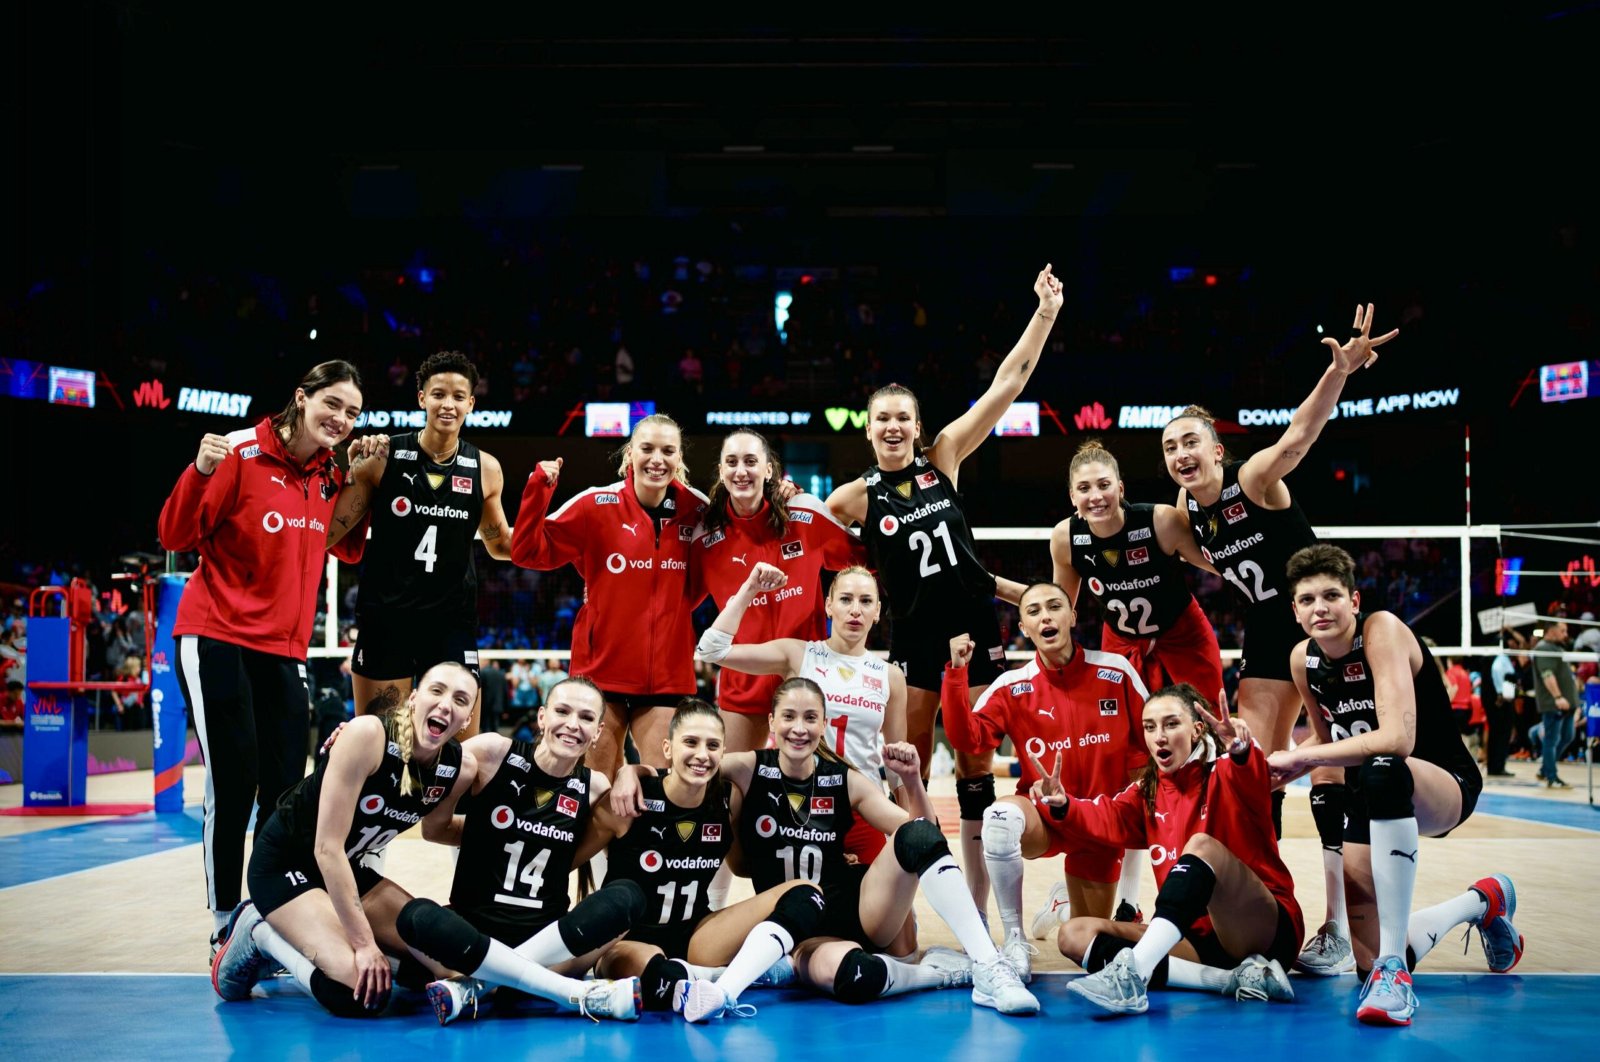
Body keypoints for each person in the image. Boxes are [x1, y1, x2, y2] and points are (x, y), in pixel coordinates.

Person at [1161, 304, 1396, 972]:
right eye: (1170, 447)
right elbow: (1214, 566)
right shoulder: (1188, 514)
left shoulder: (1254, 480)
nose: (1180, 455)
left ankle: (1340, 926)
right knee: (1253, 769)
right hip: (1267, 628)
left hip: (1318, 619)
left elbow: (1300, 432)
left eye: (1190, 443)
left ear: (1215, 449)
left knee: (1330, 759)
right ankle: (1265, 905)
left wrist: (1338, 372)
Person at [825, 264, 1063, 908]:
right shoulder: (853, 497)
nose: (894, 427)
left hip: (977, 629)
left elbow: (1006, 384)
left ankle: (983, 910)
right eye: (883, 420)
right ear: (868, 429)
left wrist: (1043, 313)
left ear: (918, 425)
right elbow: (797, 538)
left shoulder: (946, 458)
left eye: (904, 417)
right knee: (908, 766)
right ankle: (911, 899)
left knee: (976, 765)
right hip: (912, 641)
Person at [611, 679, 1040, 1018]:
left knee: (913, 835)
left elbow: (925, 836)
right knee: (857, 979)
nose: (799, 727)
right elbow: (687, 769)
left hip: (856, 909)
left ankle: (988, 964)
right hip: (796, 929)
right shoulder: (745, 768)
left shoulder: (845, 779)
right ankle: (933, 974)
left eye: (810, 718)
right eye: (790, 717)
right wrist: (634, 770)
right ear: (772, 722)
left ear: (822, 725)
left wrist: (911, 781)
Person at [158, 359, 370, 953]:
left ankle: (278, 914)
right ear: (302, 398)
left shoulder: (331, 473)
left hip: (284, 649)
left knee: (285, 789)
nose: (341, 419)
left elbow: (350, 548)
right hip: (216, 634)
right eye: (332, 404)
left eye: (352, 412)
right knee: (234, 779)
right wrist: (199, 471)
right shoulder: (239, 452)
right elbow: (175, 536)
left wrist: (365, 475)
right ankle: (226, 923)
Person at [1270, 544, 1523, 1027]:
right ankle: (1481, 901)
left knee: (1383, 764)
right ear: (1295, 610)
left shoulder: (1380, 630)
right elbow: (1328, 747)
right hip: (1372, 787)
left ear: (1355, 600)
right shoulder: (1303, 660)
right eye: (1307, 600)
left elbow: (1398, 740)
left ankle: (1393, 974)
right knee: (1334, 772)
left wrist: (1299, 755)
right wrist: (1278, 770)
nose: (1319, 608)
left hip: (1440, 781)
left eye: (1331, 596)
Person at [208, 662, 478, 1017]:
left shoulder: (460, 768)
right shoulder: (369, 735)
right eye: (437, 690)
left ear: (467, 718)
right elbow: (327, 848)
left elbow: (436, 830)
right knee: (361, 993)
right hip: (286, 867)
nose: (446, 705)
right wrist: (364, 943)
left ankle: (336, 938)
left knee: (444, 962)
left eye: (460, 700)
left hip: (346, 871)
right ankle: (260, 932)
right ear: (414, 699)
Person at [1033, 683, 1300, 1016]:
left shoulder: (1227, 773)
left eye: (1171, 724)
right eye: (1150, 727)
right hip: (1195, 940)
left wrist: (1243, 750)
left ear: (1197, 728)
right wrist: (1063, 805)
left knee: (1202, 846)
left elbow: (1252, 773)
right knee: (1074, 933)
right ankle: (1229, 979)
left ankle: (1134, 975)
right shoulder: (1148, 790)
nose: (1159, 736)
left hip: (1263, 930)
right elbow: (1108, 816)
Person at [1049, 437, 1225, 924]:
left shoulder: (1161, 520)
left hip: (1182, 638)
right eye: (1084, 488)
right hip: (1120, 646)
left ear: (1120, 487)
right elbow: (1059, 608)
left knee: (1208, 752)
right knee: (1130, 765)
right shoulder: (1066, 538)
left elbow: (1216, 562)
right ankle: (1128, 897)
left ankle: (1212, 871)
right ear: (1072, 496)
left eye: (1104, 485)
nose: (1095, 495)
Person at [401, 674, 645, 1025]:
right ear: (542, 717)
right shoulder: (491, 753)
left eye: (587, 718)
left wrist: (632, 770)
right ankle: (552, 988)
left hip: (548, 940)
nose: (573, 725)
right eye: (562, 711)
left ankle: (477, 986)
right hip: (474, 932)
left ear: (598, 731)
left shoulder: (595, 787)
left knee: (628, 896)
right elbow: (433, 823)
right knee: (415, 916)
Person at [940, 582, 1148, 981]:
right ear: (1024, 627)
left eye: (1055, 607)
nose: (1045, 616)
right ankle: (1015, 938)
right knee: (999, 818)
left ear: (1073, 616)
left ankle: (1062, 906)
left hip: (1099, 825)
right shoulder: (1011, 687)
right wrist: (957, 674)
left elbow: (1148, 747)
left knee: (1085, 938)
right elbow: (968, 739)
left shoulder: (1117, 672)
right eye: (1034, 611)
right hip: (1043, 817)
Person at [510, 413, 708, 779]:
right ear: (630, 454)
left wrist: (783, 498)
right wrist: (540, 489)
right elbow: (527, 552)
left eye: (668, 451)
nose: (657, 459)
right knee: (597, 784)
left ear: (679, 458)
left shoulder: (699, 511)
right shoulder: (594, 505)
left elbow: (730, 551)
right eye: (647, 449)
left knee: (660, 783)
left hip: (667, 675)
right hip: (600, 673)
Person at [330, 351, 515, 740]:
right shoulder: (381, 456)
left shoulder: (486, 468)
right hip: (386, 619)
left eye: (458, 396)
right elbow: (329, 531)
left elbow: (502, 547)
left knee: (461, 751)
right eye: (438, 394)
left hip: (451, 623)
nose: (448, 404)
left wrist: (549, 519)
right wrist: (347, 470)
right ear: (421, 399)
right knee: (380, 745)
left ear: (471, 403)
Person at [697, 561, 909, 864]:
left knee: (898, 911)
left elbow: (897, 765)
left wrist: (907, 824)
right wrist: (749, 589)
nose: (855, 610)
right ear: (828, 606)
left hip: (863, 809)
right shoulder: (798, 654)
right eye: (846, 599)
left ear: (877, 612)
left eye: (865, 602)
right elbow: (711, 650)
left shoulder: (890, 676)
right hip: (803, 807)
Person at [689, 428, 866, 753]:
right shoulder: (705, 537)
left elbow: (867, 562)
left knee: (814, 788)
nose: (741, 471)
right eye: (732, 462)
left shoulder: (806, 513)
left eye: (750, 461)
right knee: (733, 788)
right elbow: (677, 600)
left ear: (769, 469)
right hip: (742, 681)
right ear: (721, 471)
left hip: (806, 677)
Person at [1531, 619, 1578, 789]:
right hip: (1554, 704)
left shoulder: (1557, 648)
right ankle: (1551, 776)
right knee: (1551, 740)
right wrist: (1558, 697)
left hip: (1567, 704)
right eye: (1562, 630)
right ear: (1551, 631)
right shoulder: (1543, 648)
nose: (1566, 635)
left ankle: (1545, 769)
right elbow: (1547, 675)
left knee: (1567, 736)